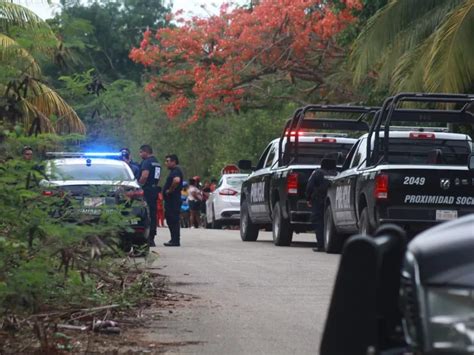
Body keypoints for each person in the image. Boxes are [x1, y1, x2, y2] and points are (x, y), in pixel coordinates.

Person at [305, 158, 337, 252]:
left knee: (319, 222)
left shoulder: (317, 173)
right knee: (331, 223)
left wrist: (308, 198)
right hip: (333, 202)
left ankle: (320, 245)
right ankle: (331, 244)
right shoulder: (338, 174)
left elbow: (309, 186)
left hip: (318, 200)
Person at [138, 144, 161, 247]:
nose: (140, 154)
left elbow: (144, 175)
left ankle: (147, 237)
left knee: (146, 213)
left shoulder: (147, 162)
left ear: (146, 152)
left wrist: (138, 185)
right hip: (154, 188)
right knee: (153, 213)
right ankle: (152, 236)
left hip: (147, 190)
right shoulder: (156, 162)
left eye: (141, 152)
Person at [162, 154, 183, 246]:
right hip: (171, 200)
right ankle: (173, 239)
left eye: (168, 161)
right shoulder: (174, 171)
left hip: (173, 200)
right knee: (170, 219)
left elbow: (177, 180)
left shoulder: (176, 171)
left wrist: (170, 190)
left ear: (174, 162)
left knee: (173, 219)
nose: (166, 163)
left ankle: (175, 240)